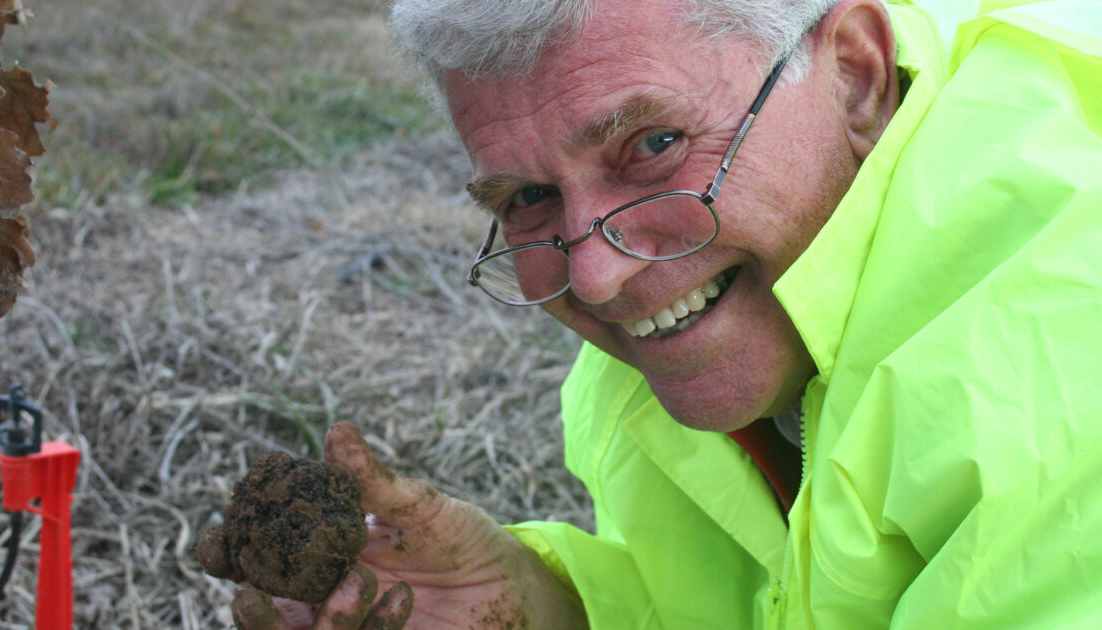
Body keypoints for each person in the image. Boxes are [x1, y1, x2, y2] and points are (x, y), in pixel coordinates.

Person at [233, 0, 1102, 627]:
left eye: (653, 146)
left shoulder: (1057, 372)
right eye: (528, 197)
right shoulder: (699, 327)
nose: (600, 275)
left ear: (856, 77)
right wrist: (547, 611)